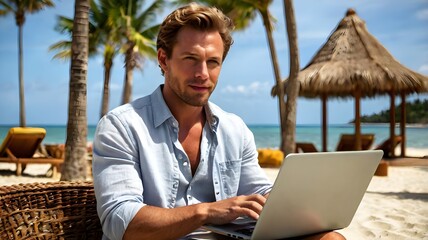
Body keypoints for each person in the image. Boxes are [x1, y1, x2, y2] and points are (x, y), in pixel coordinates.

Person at [92, 3, 345, 240]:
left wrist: (289, 205)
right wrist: (207, 211)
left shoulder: (235, 130)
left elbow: (258, 194)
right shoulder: (121, 126)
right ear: (163, 60)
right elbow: (120, 223)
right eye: (190, 59)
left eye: (213, 62)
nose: (203, 74)